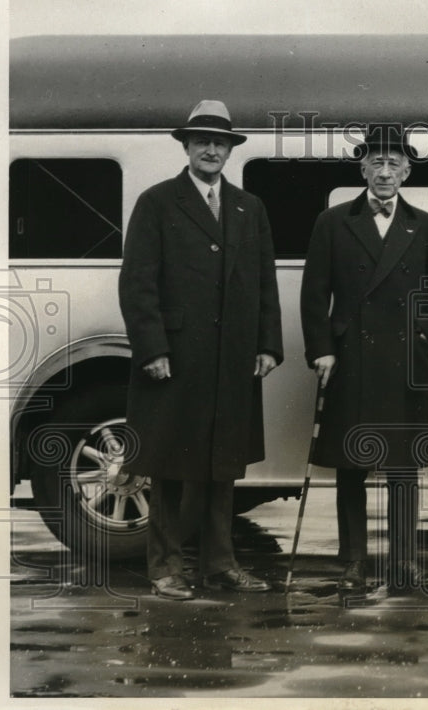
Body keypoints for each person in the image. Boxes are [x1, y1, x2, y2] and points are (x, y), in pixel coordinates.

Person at [119, 100, 284, 600]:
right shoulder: (157, 202)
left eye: (220, 143)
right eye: (202, 142)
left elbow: (263, 283)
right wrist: (152, 348)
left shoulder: (247, 208)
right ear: (187, 147)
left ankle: (220, 565)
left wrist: (267, 344)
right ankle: (166, 568)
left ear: (230, 150)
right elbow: (137, 283)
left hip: (231, 358)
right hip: (174, 358)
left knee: (222, 463)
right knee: (168, 465)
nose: (211, 150)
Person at [300, 125, 428, 593]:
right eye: (377, 162)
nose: (385, 172)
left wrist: (423, 334)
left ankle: (404, 562)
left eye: (394, 164)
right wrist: (323, 350)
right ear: (363, 168)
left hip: (403, 361)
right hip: (349, 357)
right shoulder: (332, 222)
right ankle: (352, 562)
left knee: (402, 467)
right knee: (351, 465)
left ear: (407, 171)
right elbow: (314, 294)